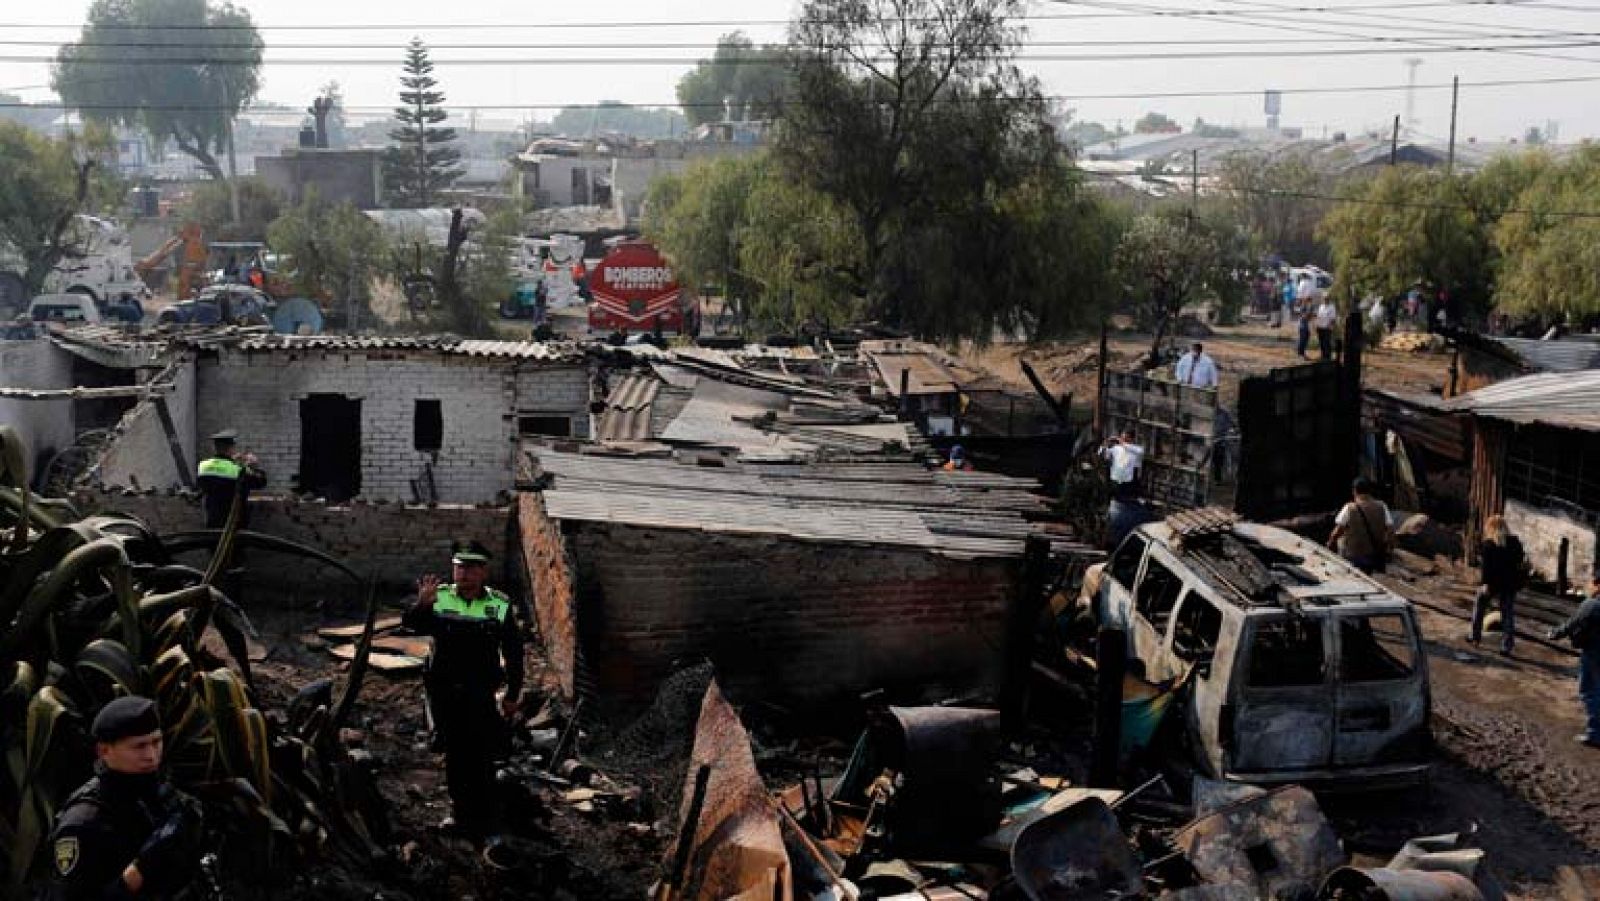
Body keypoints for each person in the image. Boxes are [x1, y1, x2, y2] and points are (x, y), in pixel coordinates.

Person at [405, 540, 526, 841]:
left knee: (482, 754)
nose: (464, 573)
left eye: (471, 568)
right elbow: (412, 627)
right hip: (445, 692)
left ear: (484, 572)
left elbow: (514, 652)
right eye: (459, 567)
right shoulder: (440, 598)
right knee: (456, 754)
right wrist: (421, 605)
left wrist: (512, 694)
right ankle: (460, 814)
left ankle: (486, 817)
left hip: (479, 692)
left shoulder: (498, 604)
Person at [44, 696, 204, 901]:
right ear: (104, 751)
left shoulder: (160, 793)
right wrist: (139, 870)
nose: (152, 755)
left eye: (157, 742)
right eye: (139, 746)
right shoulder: (83, 821)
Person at [1549, 575, 1600, 749]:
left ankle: (1595, 734)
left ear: (1597, 585)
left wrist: (1555, 633)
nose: (1588, 586)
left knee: (1589, 692)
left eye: (1591, 582)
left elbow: (1573, 623)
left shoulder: (1592, 604)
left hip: (1594, 652)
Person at [1469, 514, 1527, 656]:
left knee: (1479, 608)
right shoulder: (1514, 542)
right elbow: (1521, 561)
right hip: (1509, 584)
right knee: (1507, 615)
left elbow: (1486, 568)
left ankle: (1475, 636)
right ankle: (1506, 646)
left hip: (1493, 584)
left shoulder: (1488, 545)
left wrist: (1486, 584)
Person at [195, 429, 267, 529]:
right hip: (234, 525)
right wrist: (254, 466)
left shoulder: (203, 466)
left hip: (212, 520)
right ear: (231, 448)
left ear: (215, 448)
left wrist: (232, 460)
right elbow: (261, 482)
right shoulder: (239, 470)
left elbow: (211, 480)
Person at [1329, 478, 1392, 574]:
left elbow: (1337, 531)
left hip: (1353, 556)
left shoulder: (1349, 508)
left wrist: (1330, 543)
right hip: (1374, 555)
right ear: (1370, 491)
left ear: (1354, 491)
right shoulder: (1382, 506)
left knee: (1340, 541)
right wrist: (1386, 548)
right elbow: (1390, 531)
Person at [1101, 429, 1144, 498]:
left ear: (1132, 439)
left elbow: (1139, 451)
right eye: (1122, 438)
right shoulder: (1116, 448)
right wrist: (1105, 444)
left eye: (1126, 438)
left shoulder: (1137, 449)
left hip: (1128, 481)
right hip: (1115, 479)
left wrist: (1121, 442)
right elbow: (1104, 455)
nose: (1123, 440)